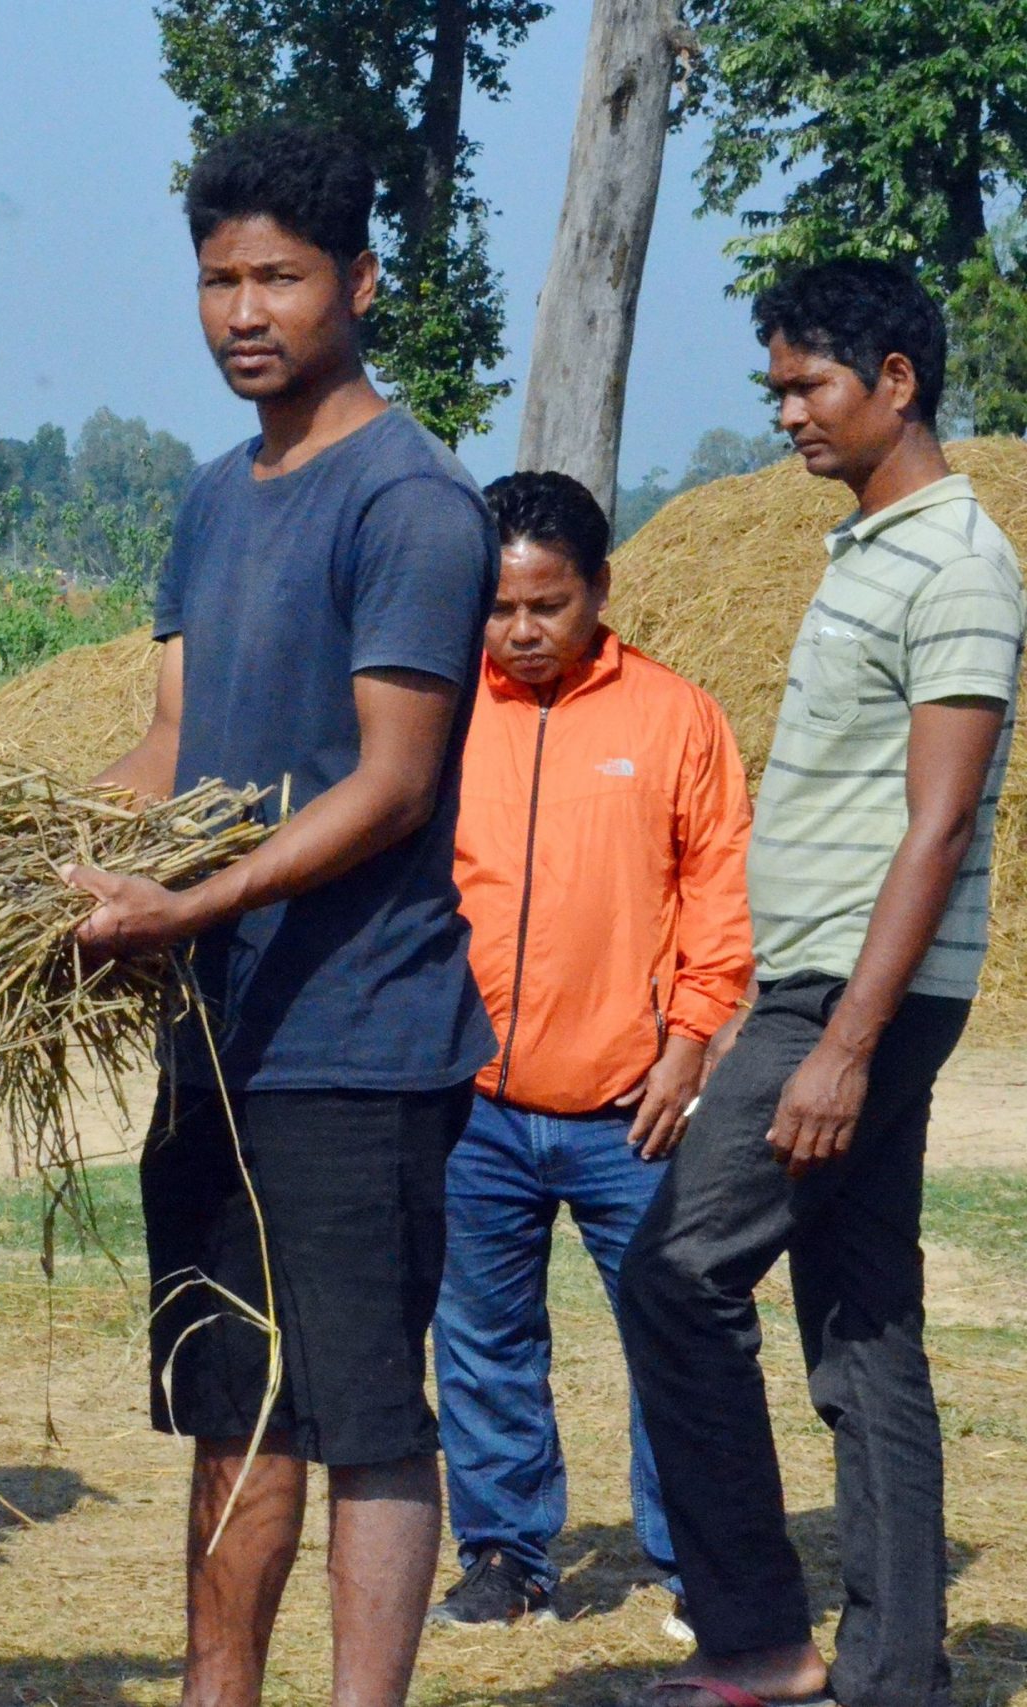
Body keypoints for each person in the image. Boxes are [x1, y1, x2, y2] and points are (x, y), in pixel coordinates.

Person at [64, 125, 500, 1706]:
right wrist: (26, 857)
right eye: (218, 279)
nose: (245, 311)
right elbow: (174, 744)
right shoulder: (212, 499)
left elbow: (390, 783)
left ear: (359, 283)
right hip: (220, 1028)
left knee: (366, 1416)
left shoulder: (412, 502)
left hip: (359, 1037)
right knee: (231, 1404)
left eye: (281, 277)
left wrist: (193, 898)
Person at [626, 261, 1025, 1707]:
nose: (787, 412)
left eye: (809, 384)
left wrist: (844, 1043)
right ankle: (896, 1671)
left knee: (675, 1273)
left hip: (860, 995)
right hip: (825, 985)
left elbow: (941, 819)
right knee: (863, 1325)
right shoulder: (870, 547)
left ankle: (755, 1636)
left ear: (897, 381)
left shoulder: (957, 562)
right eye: (776, 388)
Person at [428, 471, 753, 1631]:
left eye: (547, 605)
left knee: (674, 1336)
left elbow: (718, 897)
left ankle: (695, 1565)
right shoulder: (436, 716)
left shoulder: (677, 718)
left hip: (633, 1111)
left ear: (600, 590)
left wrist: (691, 1042)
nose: (520, 630)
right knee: (482, 1342)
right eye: (499, 607)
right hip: (470, 1104)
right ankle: (505, 1559)